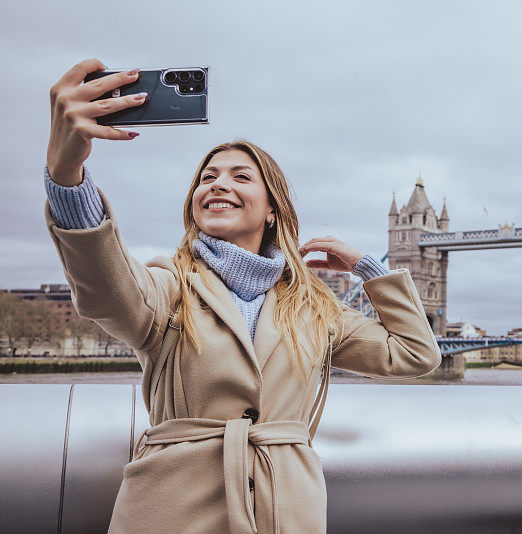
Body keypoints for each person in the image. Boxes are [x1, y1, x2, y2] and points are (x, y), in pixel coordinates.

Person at [44, 59, 441, 533]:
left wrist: (367, 268)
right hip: (171, 511)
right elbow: (107, 290)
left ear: (272, 210)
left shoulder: (313, 307)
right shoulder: (169, 285)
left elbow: (415, 354)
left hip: (285, 513)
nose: (218, 184)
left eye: (240, 176)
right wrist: (67, 175)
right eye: (207, 177)